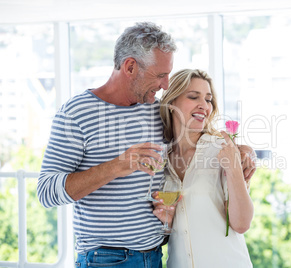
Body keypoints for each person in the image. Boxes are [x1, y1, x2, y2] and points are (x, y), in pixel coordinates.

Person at [37, 22, 256, 267]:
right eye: (160, 75)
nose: (165, 85)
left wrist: (241, 150)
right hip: (107, 260)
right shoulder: (76, 113)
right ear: (130, 66)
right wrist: (116, 166)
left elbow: (195, 132)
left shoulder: (157, 110)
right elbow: (46, 192)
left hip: (156, 257)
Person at [156, 69, 254, 267]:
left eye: (208, 100)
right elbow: (167, 238)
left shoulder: (222, 150)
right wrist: (166, 224)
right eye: (193, 97)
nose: (204, 106)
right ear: (171, 102)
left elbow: (242, 224)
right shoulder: (160, 162)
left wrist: (234, 169)